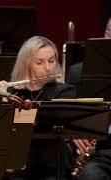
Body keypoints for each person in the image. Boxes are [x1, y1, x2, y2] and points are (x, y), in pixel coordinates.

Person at [4, 36, 76, 180]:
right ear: (26, 64)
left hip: (52, 165)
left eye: (51, 60)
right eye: (39, 62)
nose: (48, 68)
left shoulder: (64, 92)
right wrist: (1, 98)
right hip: (18, 165)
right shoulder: (12, 93)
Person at [72, 16, 111, 180]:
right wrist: (75, 132)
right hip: (101, 150)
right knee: (90, 174)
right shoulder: (79, 72)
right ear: (107, 35)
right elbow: (70, 114)